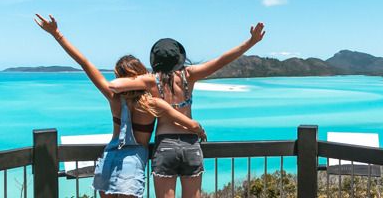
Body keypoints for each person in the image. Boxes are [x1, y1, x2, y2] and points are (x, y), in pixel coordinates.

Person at [34, 14, 206, 198]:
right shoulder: (153, 103)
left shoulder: (113, 98)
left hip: (109, 157)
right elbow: (191, 124)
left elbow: (85, 63)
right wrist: (200, 131)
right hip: (132, 163)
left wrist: (57, 34)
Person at [110, 22, 265, 198]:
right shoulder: (189, 75)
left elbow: (114, 85)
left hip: (165, 145)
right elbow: (222, 61)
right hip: (191, 144)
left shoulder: (152, 80)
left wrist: (139, 77)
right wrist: (250, 42)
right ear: (179, 58)